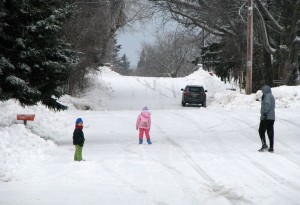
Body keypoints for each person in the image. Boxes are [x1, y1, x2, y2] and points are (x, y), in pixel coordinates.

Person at [258, 85, 275, 152]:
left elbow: (267, 105)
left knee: (261, 130)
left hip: (266, 117)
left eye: (263, 90)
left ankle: (264, 144)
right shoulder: (271, 96)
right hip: (272, 117)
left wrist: (264, 113)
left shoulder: (267, 96)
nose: (262, 92)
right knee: (270, 131)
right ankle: (271, 147)